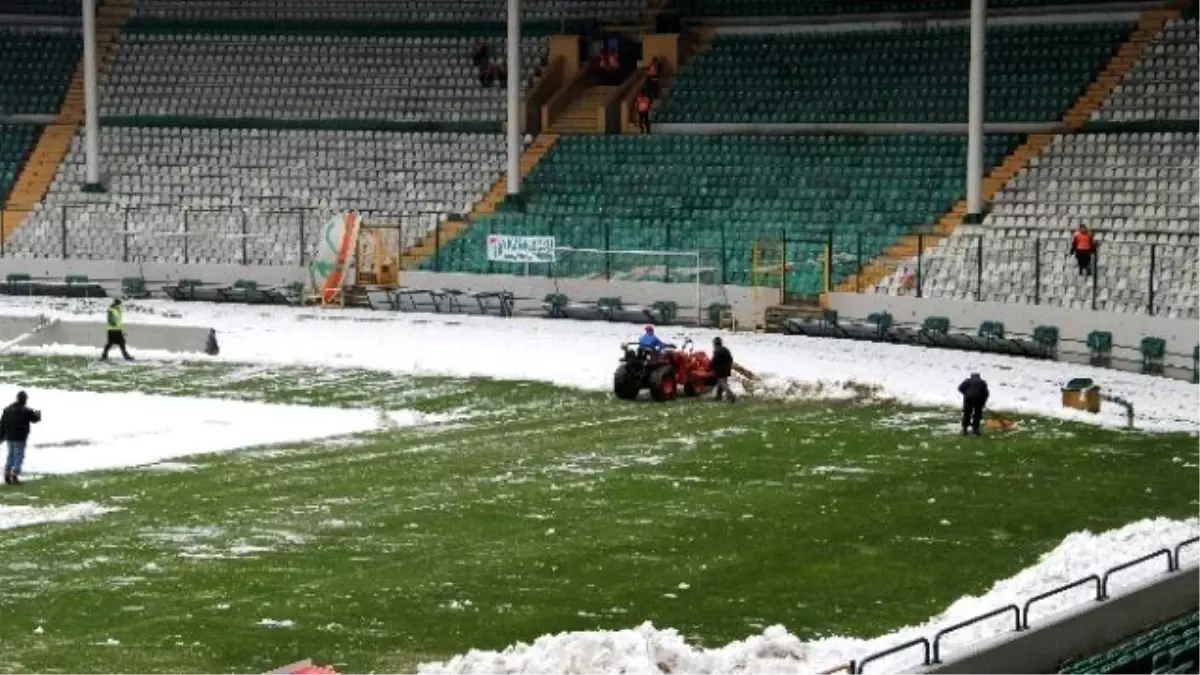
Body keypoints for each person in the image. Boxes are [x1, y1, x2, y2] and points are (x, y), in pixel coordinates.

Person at [0, 391, 41, 485]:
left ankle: (7, 473)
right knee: (19, 455)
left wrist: (1, 436)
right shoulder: (26, 410)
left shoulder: (7, 410)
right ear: (24, 399)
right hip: (20, 438)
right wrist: (38, 415)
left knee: (11, 455)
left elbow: (2, 424)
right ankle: (15, 474)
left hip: (9, 437)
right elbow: (34, 419)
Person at [957, 372, 989, 436]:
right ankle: (976, 429)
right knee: (977, 414)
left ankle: (965, 429)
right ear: (979, 376)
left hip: (968, 399)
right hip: (979, 399)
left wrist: (966, 393)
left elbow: (959, 388)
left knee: (967, 413)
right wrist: (983, 402)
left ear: (971, 376)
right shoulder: (983, 382)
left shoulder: (967, 381)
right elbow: (986, 393)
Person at [711, 337, 736, 403]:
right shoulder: (725, 349)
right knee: (720, 383)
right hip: (727, 368)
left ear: (715, 343)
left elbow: (714, 361)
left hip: (720, 369)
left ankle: (731, 396)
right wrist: (728, 366)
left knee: (722, 383)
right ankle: (718, 396)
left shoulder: (716, 350)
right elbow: (731, 359)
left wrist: (711, 367)